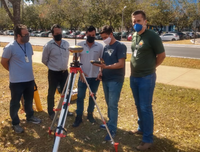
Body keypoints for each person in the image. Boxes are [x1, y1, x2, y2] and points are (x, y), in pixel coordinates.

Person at [130, 10, 166, 150]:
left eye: (138, 21)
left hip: (146, 77)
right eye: (134, 21)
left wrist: (152, 67)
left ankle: (148, 139)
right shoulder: (134, 35)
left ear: (145, 21)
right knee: (138, 105)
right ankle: (141, 128)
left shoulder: (152, 36)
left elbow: (161, 55)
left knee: (145, 107)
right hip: (134, 77)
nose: (136, 24)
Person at [1, 24, 41, 133]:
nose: (28, 36)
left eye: (28, 34)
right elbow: (3, 62)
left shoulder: (28, 45)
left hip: (29, 79)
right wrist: (13, 71)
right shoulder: (10, 47)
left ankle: (30, 116)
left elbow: (27, 59)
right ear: (18, 35)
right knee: (15, 103)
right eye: (25, 34)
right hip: (16, 81)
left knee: (28, 100)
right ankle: (15, 123)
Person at [94, 25, 127, 141]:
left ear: (111, 34)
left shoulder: (120, 46)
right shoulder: (106, 46)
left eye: (105, 37)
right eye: (102, 38)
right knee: (109, 103)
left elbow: (120, 64)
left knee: (113, 104)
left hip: (116, 79)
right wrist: (100, 71)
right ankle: (110, 123)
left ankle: (112, 129)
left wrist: (106, 66)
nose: (104, 39)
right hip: (106, 79)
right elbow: (103, 62)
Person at [72, 26, 104, 127]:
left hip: (95, 77)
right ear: (86, 34)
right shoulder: (80, 46)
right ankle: (79, 116)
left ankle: (90, 114)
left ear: (95, 35)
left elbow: (102, 61)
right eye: (89, 35)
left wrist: (100, 72)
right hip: (83, 77)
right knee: (80, 97)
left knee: (93, 96)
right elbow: (75, 61)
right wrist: (80, 73)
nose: (91, 37)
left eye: (93, 35)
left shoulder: (99, 46)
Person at [42, 24, 73, 120]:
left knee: (65, 92)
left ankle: (65, 110)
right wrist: (53, 67)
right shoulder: (48, 46)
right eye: (56, 33)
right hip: (53, 73)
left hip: (64, 73)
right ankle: (51, 111)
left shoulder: (66, 44)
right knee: (51, 92)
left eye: (60, 33)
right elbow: (44, 60)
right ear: (52, 34)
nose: (59, 35)